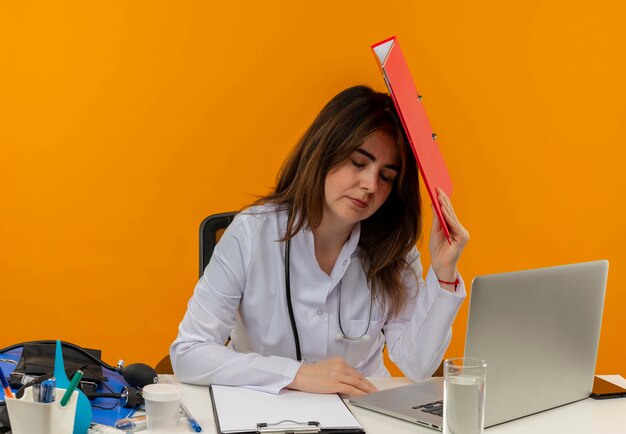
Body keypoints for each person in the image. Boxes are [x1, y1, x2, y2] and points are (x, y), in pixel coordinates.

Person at [170, 85, 469, 396]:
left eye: (386, 176)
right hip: (267, 415)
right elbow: (189, 353)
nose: (369, 185)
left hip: (365, 415)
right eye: (358, 162)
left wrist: (444, 274)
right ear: (325, 152)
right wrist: (296, 374)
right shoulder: (250, 234)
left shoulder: (394, 250)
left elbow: (417, 365)